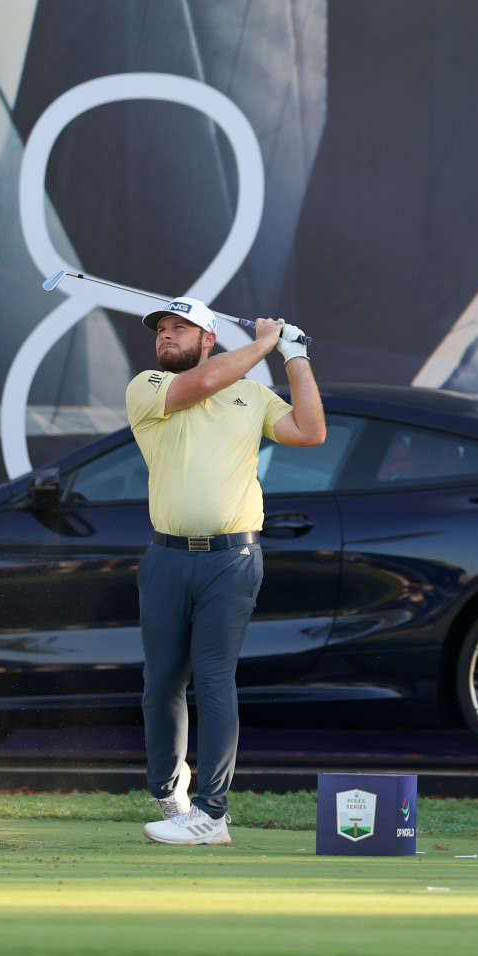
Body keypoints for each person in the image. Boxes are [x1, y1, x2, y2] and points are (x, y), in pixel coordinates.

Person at [126, 295, 325, 846]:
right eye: (161, 329)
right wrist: (263, 342)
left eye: (180, 328)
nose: (166, 335)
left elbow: (310, 432)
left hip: (232, 559)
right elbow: (203, 384)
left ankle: (212, 814)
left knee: (214, 677)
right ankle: (171, 793)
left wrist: (294, 355)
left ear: (208, 338)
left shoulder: (251, 394)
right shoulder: (148, 387)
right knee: (162, 680)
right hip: (166, 557)